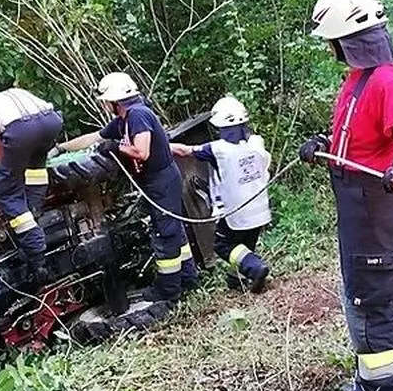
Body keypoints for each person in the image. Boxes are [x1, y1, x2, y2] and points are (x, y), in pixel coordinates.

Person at [296, 0, 393, 391]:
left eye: (333, 41)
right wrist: (324, 147)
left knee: (374, 296)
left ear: (347, 39)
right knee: (359, 294)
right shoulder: (358, 80)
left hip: (375, 206)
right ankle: (369, 381)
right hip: (356, 206)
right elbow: (354, 142)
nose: (332, 49)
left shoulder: (388, 80)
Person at [94, 73, 199, 302]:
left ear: (115, 101)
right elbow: (97, 137)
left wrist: (115, 147)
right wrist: (61, 149)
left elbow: (142, 152)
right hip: (157, 181)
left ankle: (169, 289)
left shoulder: (138, 116)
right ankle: (189, 278)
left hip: (161, 180)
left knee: (165, 232)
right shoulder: (124, 119)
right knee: (174, 228)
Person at [171, 96, 272, 293]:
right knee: (243, 246)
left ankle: (255, 268)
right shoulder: (256, 143)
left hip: (237, 211)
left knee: (223, 244)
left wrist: (160, 144)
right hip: (259, 209)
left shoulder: (218, 149)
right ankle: (237, 280)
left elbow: (184, 151)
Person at [0, 87, 64, 279]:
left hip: (23, 130)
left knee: (5, 191)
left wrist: (9, 178)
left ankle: (35, 250)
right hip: (52, 122)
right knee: (35, 170)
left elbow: (0, 158)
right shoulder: (11, 94)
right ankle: (33, 211)